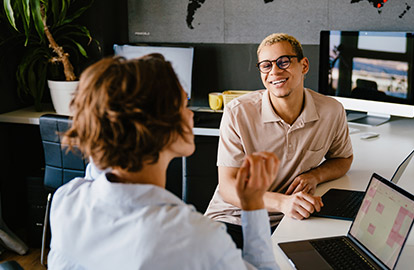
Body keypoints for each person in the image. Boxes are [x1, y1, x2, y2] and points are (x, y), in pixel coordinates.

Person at [47, 53, 280, 269]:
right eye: (181, 106)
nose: (191, 114)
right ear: (157, 126)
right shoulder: (194, 237)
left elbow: (97, 171)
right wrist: (252, 204)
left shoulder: (67, 200)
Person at [204, 33, 354, 248]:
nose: (274, 71)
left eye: (283, 62)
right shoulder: (237, 112)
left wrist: (315, 176)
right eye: (266, 66)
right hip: (235, 219)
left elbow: (344, 158)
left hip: (291, 220)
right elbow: (228, 187)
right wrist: (282, 202)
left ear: (304, 65)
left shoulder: (331, 110)